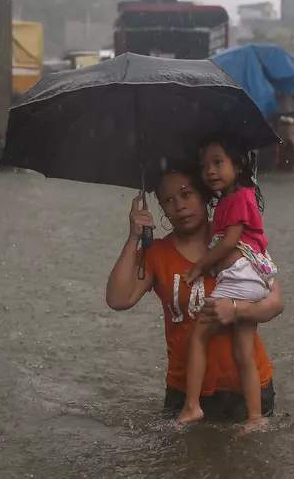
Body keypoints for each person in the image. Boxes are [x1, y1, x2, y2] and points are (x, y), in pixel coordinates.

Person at [105, 164, 283, 424]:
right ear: (163, 209)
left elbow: (276, 302)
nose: (179, 205)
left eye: (187, 194)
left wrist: (235, 310)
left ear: (205, 195)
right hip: (185, 392)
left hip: (246, 390)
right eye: (168, 200)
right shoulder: (157, 254)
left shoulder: (234, 241)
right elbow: (118, 299)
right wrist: (133, 238)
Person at [177, 136, 277, 428]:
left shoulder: (240, 197)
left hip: (240, 278)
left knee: (198, 336)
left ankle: (192, 406)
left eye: (218, 162)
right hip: (252, 279)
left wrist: (199, 266)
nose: (210, 171)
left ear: (239, 163)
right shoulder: (228, 200)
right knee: (243, 352)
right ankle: (256, 418)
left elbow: (229, 241)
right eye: (204, 165)